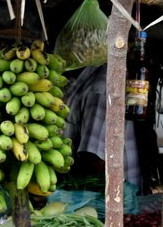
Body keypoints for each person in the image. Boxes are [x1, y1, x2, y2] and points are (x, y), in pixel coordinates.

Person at [63, 64, 157, 193]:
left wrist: (70, 188)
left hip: (109, 196)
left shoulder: (101, 87)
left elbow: (94, 158)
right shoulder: (90, 77)